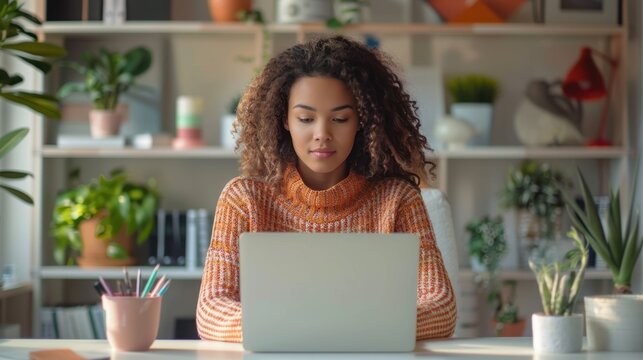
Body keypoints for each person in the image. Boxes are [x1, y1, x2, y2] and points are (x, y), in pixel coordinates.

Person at [196, 35, 456, 342]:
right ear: (285, 121)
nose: (322, 134)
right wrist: (310, 326)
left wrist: (324, 325)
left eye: (340, 118)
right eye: (306, 118)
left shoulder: (397, 201)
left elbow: (441, 308)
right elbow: (211, 309)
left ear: (362, 120)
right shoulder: (244, 199)